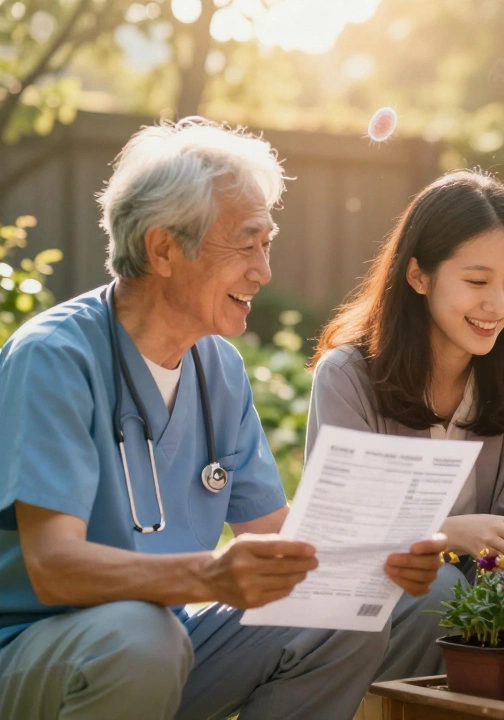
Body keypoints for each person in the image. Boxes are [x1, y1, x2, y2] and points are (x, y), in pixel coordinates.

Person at [0, 118, 448, 720]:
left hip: (167, 642)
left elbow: (273, 537)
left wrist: (380, 558)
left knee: (343, 617)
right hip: (37, 649)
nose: (263, 272)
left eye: (268, 244)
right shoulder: (54, 359)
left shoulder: (220, 368)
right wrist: (209, 576)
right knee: (141, 638)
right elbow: (53, 570)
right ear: (163, 248)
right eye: (246, 244)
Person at [306, 169, 504, 679]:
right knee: (437, 590)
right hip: (367, 590)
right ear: (419, 275)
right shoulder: (349, 376)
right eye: (476, 281)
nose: (498, 304)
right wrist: (448, 533)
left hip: (477, 579)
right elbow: (343, 527)